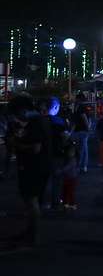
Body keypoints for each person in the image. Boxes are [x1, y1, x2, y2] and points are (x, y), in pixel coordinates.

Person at [8, 96, 50, 246]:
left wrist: (17, 144)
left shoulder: (35, 122)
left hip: (34, 166)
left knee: (32, 200)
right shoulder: (36, 121)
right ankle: (30, 232)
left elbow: (36, 148)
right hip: (35, 166)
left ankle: (33, 235)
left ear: (23, 109)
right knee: (30, 200)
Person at [71, 104, 91, 173]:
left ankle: (79, 166)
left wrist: (70, 133)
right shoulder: (86, 114)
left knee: (79, 150)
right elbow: (87, 124)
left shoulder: (77, 114)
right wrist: (88, 130)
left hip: (77, 132)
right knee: (84, 150)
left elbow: (74, 125)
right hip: (84, 132)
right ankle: (83, 166)